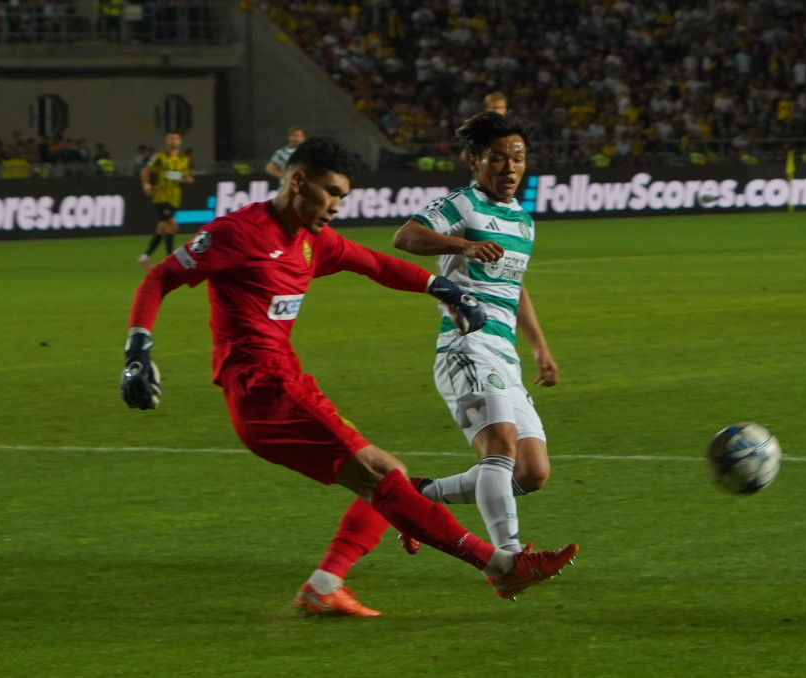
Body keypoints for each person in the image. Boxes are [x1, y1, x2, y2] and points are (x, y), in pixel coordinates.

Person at [120, 136, 577, 618]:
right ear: (299, 182)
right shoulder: (239, 232)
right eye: (331, 193)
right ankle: (503, 566)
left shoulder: (311, 240)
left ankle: (325, 584)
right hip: (263, 389)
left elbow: (375, 264)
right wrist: (137, 349)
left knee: (385, 477)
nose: (337, 206)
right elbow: (160, 277)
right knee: (384, 477)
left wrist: (444, 288)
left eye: (343, 195)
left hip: (286, 383)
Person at [299, 113, 561, 594]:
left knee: (532, 471)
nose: (509, 167)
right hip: (466, 345)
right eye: (498, 157)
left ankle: (418, 496)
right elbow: (405, 236)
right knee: (500, 446)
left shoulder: (523, 222)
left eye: (518, 158)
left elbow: (515, 286)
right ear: (474, 160)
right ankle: (510, 561)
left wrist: (540, 346)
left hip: (504, 353)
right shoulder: (462, 204)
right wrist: (463, 244)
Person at [138, 131, 194, 270]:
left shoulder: (184, 159)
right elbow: (145, 171)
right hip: (161, 197)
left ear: (180, 142)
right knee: (172, 226)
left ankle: (145, 256)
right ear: (166, 141)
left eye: (176, 138)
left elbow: (184, 176)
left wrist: (187, 179)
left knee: (163, 229)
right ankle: (171, 261)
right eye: (171, 138)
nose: (173, 141)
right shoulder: (160, 157)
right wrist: (146, 184)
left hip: (174, 198)